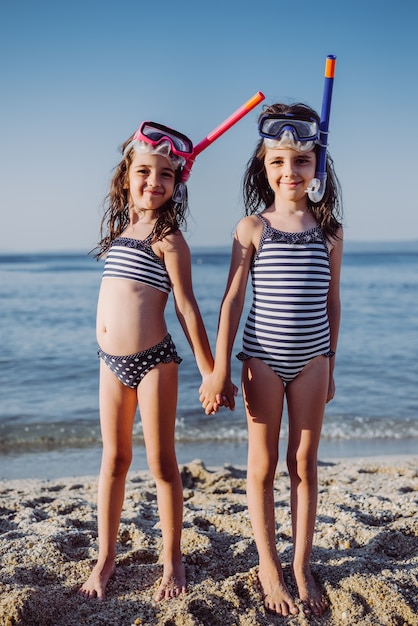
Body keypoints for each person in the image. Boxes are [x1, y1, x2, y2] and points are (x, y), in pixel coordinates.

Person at [79, 121, 234, 602]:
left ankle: (173, 561)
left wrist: (211, 372)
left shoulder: (170, 239)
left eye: (166, 174)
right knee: (114, 460)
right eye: (144, 171)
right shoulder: (121, 231)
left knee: (162, 463)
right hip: (109, 361)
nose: (154, 181)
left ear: (177, 184)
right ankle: (105, 558)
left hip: (154, 362)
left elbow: (187, 308)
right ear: (127, 176)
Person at [199, 102, 343, 617]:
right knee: (261, 466)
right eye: (278, 161)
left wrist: (330, 362)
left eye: (301, 161)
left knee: (303, 462)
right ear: (264, 166)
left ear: (317, 165)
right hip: (261, 357)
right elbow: (233, 299)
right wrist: (218, 368)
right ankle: (268, 564)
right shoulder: (252, 227)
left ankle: (301, 563)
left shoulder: (330, 231)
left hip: (312, 359)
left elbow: (332, 300)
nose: (290, 171)